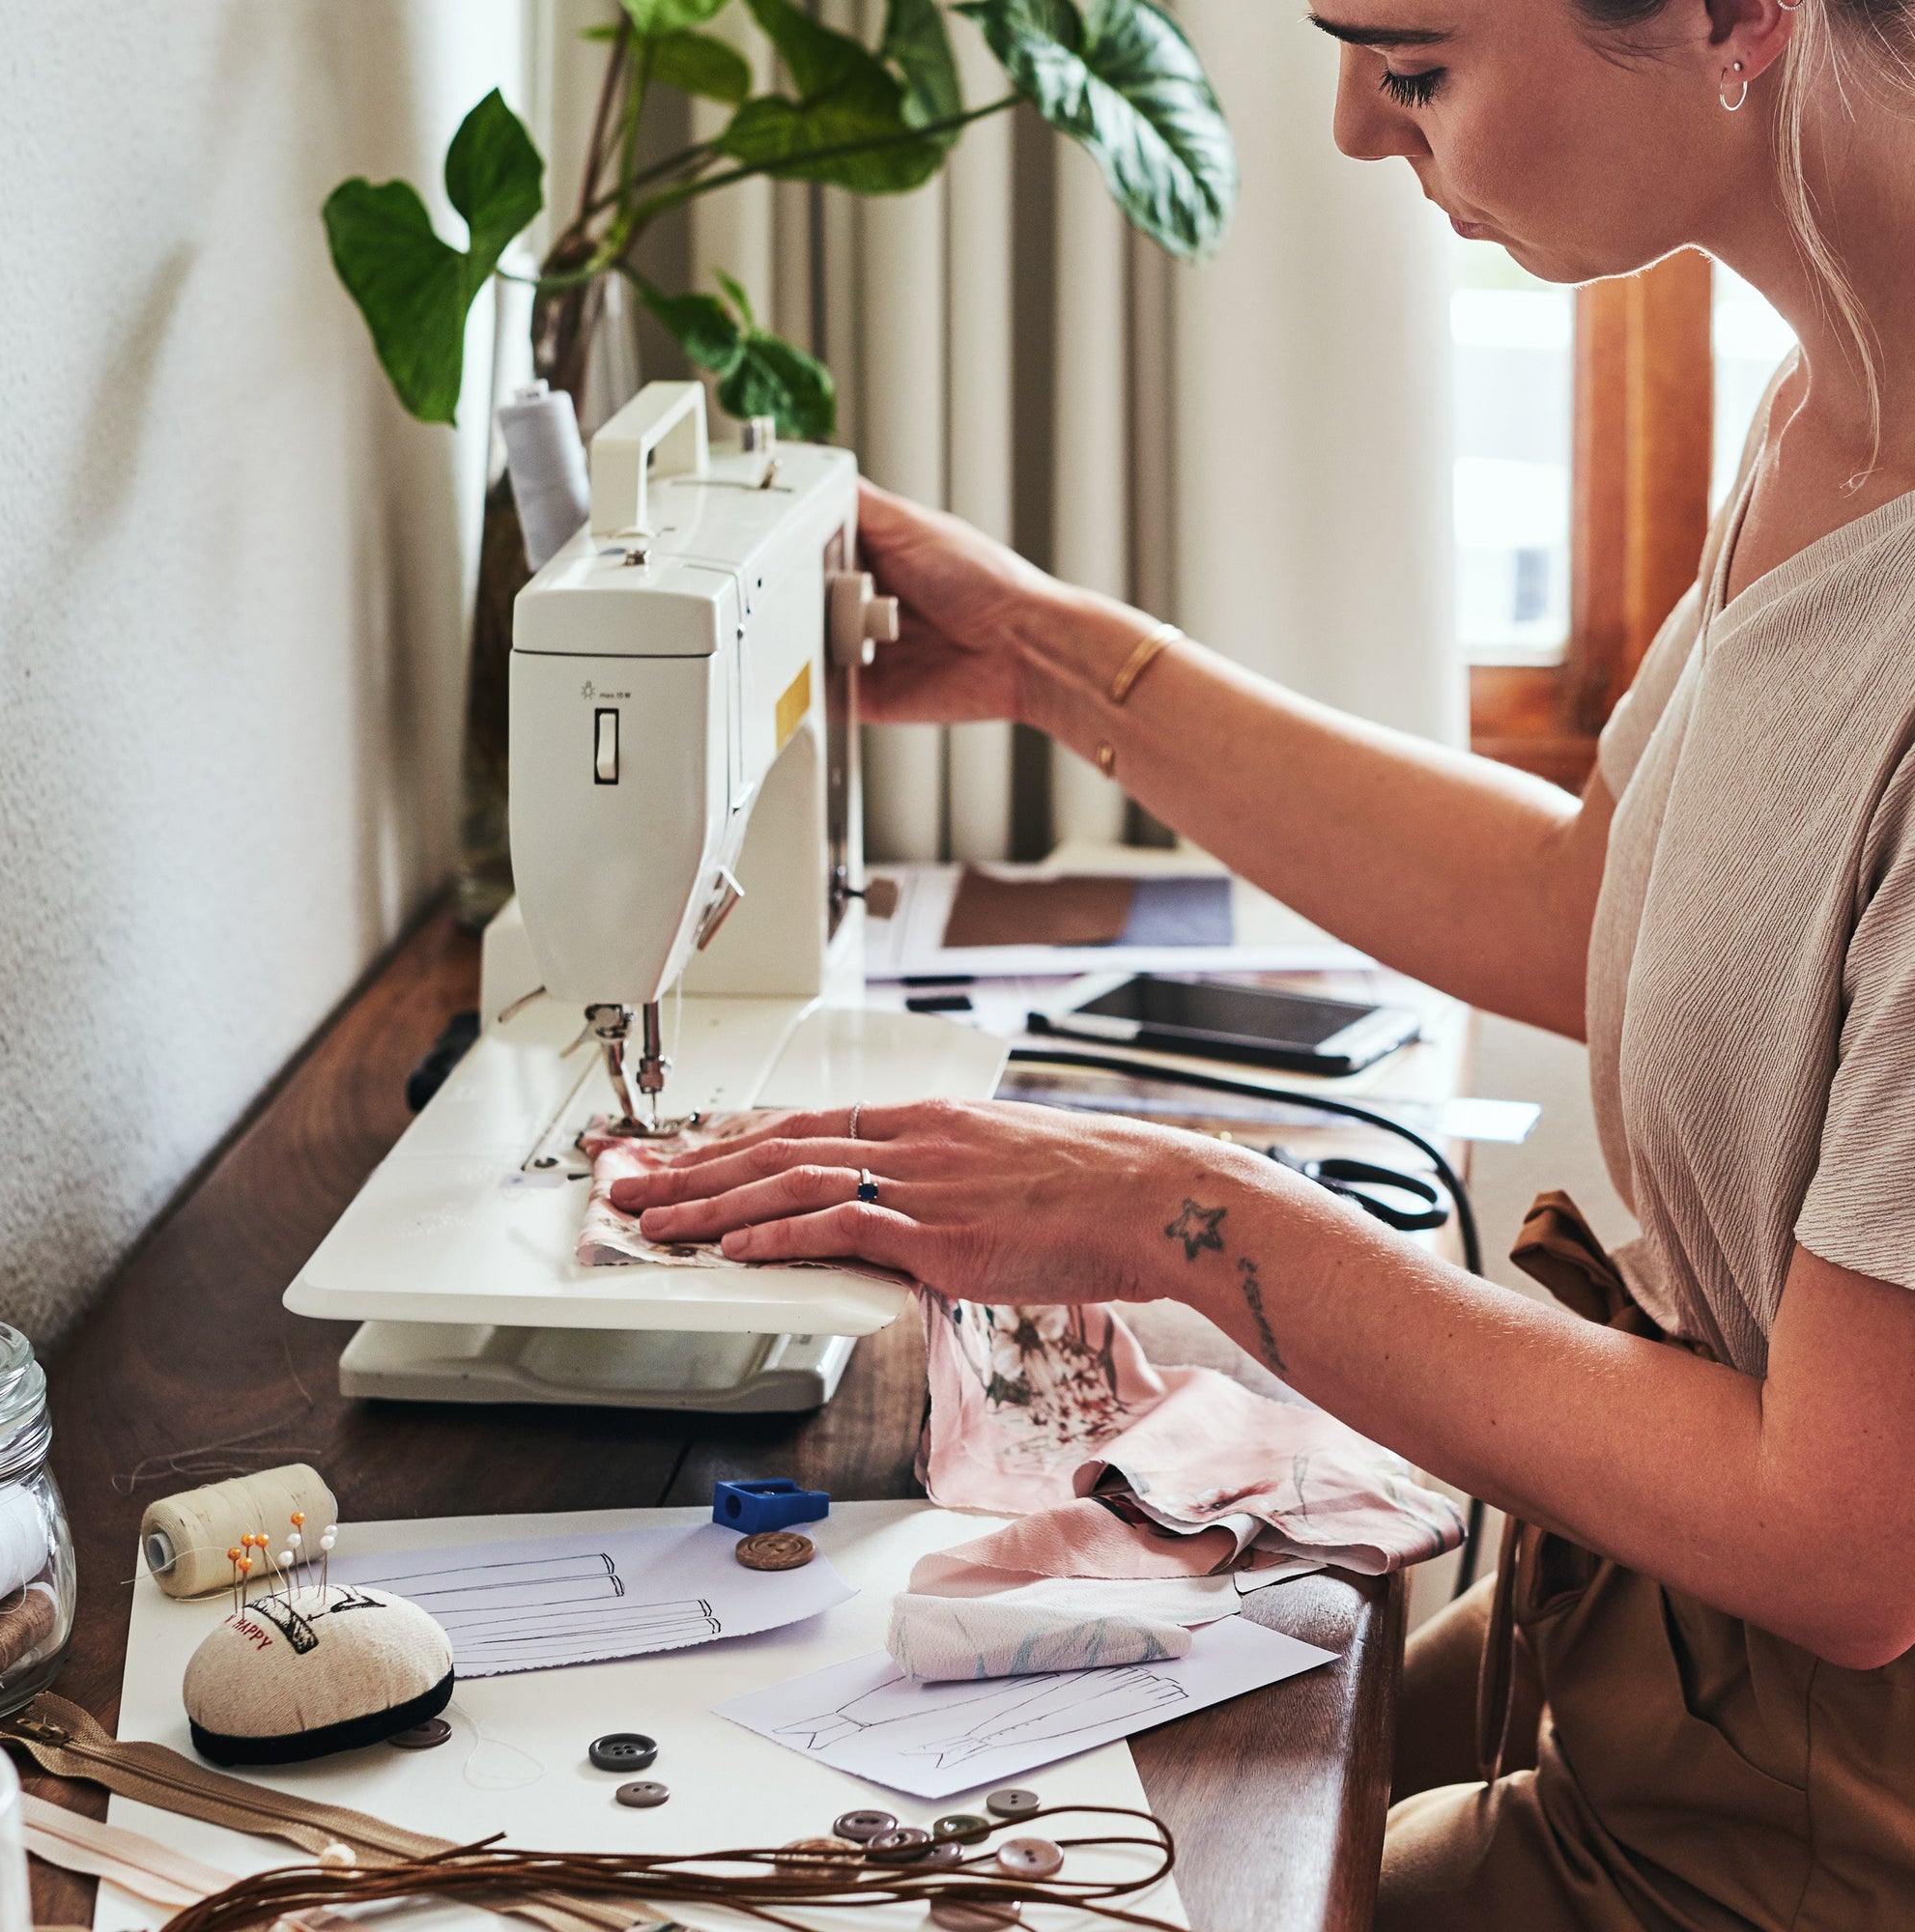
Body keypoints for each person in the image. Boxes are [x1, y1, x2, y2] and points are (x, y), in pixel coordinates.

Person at [607, 0, 1915, 1921]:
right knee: (1073, 1760)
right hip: (1674, 1660)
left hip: (1817, 1805)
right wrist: (1054, 657)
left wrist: (1173, 1210)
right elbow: (1594, 906)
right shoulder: (1838, 396)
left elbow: (1841, 1538)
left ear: (1731, 15)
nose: (1346, 131)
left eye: (1413, 62)